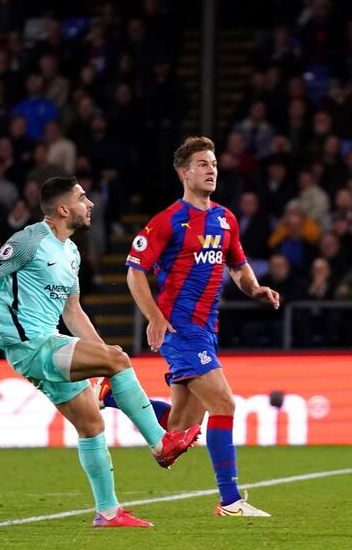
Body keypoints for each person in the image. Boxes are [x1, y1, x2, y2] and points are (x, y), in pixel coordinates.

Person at [0, 176, 200, 529]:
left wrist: (99, 352)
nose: (89, 203)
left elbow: (73, 312)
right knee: (119, 359)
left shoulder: (71, 252)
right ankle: (160, 444)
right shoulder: (31, 240)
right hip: (31, 344)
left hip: (47, 342)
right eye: (81, 198)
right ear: (62, 209)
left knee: (91, 424)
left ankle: (107, 512)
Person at [121, 136, 280, 517]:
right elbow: (134, 272)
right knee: (224, 403)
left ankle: (112, 393)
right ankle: (230, 501)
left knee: (181, 425)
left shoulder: (226, 218)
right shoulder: (167, 221)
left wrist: (255, 289)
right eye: (203, 164)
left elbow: (238, 267)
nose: (211, 170)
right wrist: (155, 317)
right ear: (184, 172)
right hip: (181, 328)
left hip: (207, 328)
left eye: (213, 163)